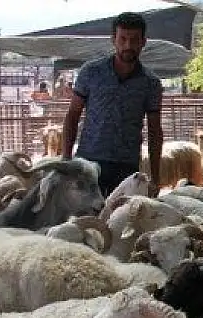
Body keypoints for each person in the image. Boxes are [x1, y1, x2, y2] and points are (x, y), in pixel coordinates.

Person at [61, 11, 163, 197]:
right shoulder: (91, 72)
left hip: (126, 168)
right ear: (113, 39)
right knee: (82, 221)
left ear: (143, 42)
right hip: (88, 164)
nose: (128, 45)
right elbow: (73, 115)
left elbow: (155, 131)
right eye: (123, 39)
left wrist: (155, 178)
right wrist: (66, 160)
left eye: (134, 40)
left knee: (121, 221)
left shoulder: (151, 83)